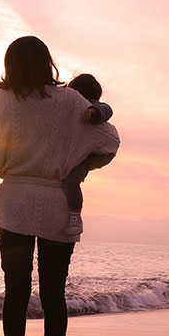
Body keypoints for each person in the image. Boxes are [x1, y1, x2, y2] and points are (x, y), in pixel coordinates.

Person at [0, 36, 119, 336]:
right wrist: (80, 164)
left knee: (15, 293)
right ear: (47, 62)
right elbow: (110, 141)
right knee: (54, 294)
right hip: (56, 206)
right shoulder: (70, 100)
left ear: (10, 65)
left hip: (15, 203)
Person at [62, 73, 116, 235]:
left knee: (71, 180)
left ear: (78, 91)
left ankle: (75, 213)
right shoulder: (68, 105)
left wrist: (94, 111)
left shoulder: (92, 105)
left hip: (84, 158)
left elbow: (107, 109)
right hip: (72, 153)